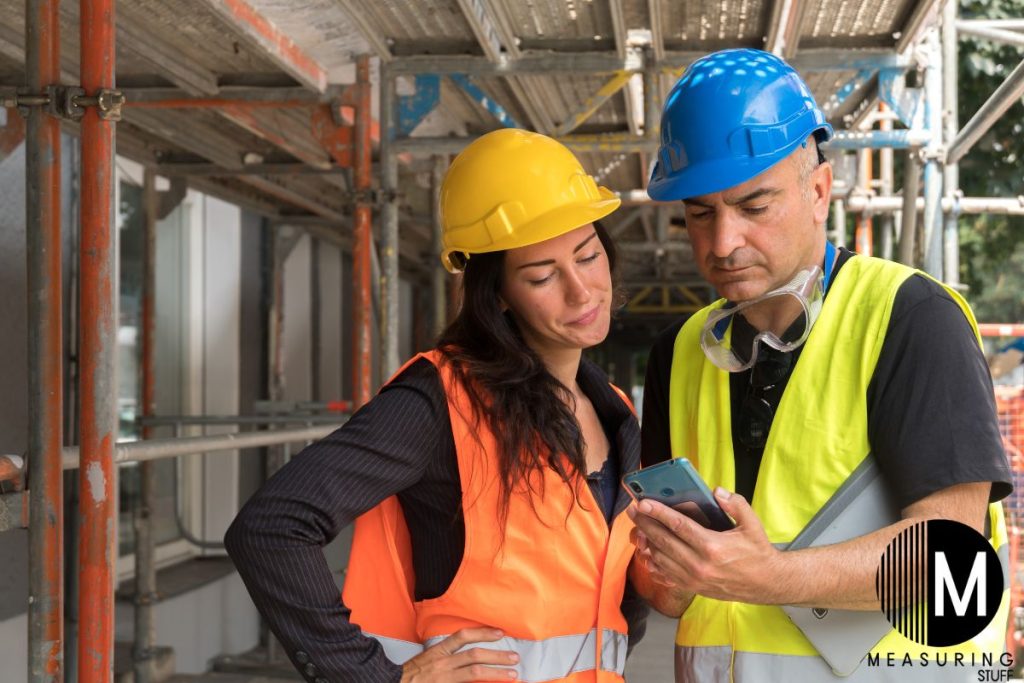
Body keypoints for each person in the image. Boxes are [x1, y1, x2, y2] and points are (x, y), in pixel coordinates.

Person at [631, 48, 1013, 681]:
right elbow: (669, 592)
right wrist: (670, 568)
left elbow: (951, 558)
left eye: (754, 207)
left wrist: (770, 576)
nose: (722, 243)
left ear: (819, 190)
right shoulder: (677, 353)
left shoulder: (911, 318)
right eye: (700, 213)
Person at [225, 129, 656, 683]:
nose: (582, 290)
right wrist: (376, 677)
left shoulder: (615, 410)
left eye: (588, 255)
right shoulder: (438, 401)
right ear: (497, 294)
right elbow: (270, 529)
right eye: (543, 275)